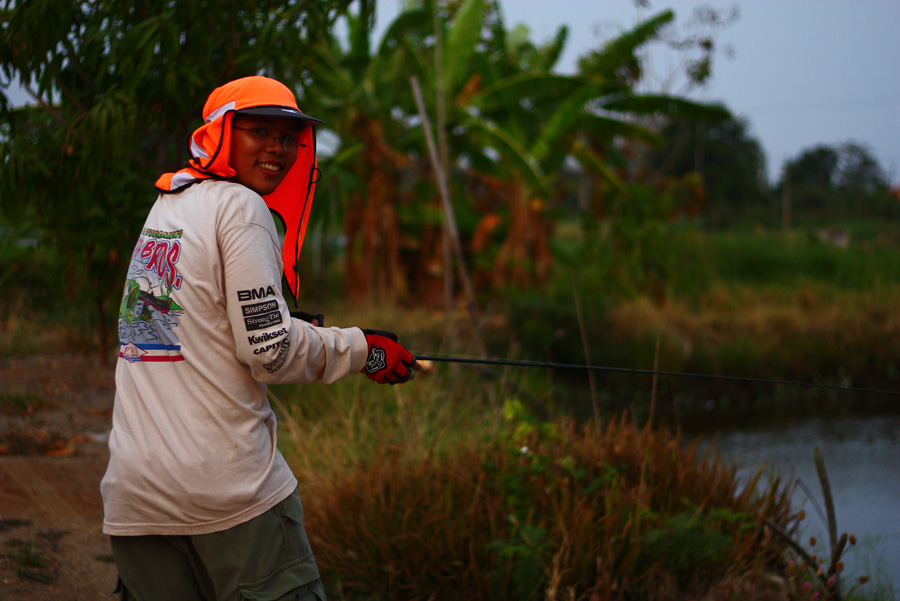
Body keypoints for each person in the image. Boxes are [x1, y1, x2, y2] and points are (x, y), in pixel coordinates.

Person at [101, 75, 420, 601]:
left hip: (137, 495)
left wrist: (295, 326)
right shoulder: (243, 209)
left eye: (290, 136)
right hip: (228, 496)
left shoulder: (168, 205)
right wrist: (364, 349)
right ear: (220, 133)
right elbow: (269, 352)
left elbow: (163, 333)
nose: (278, 147)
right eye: (259, 131)